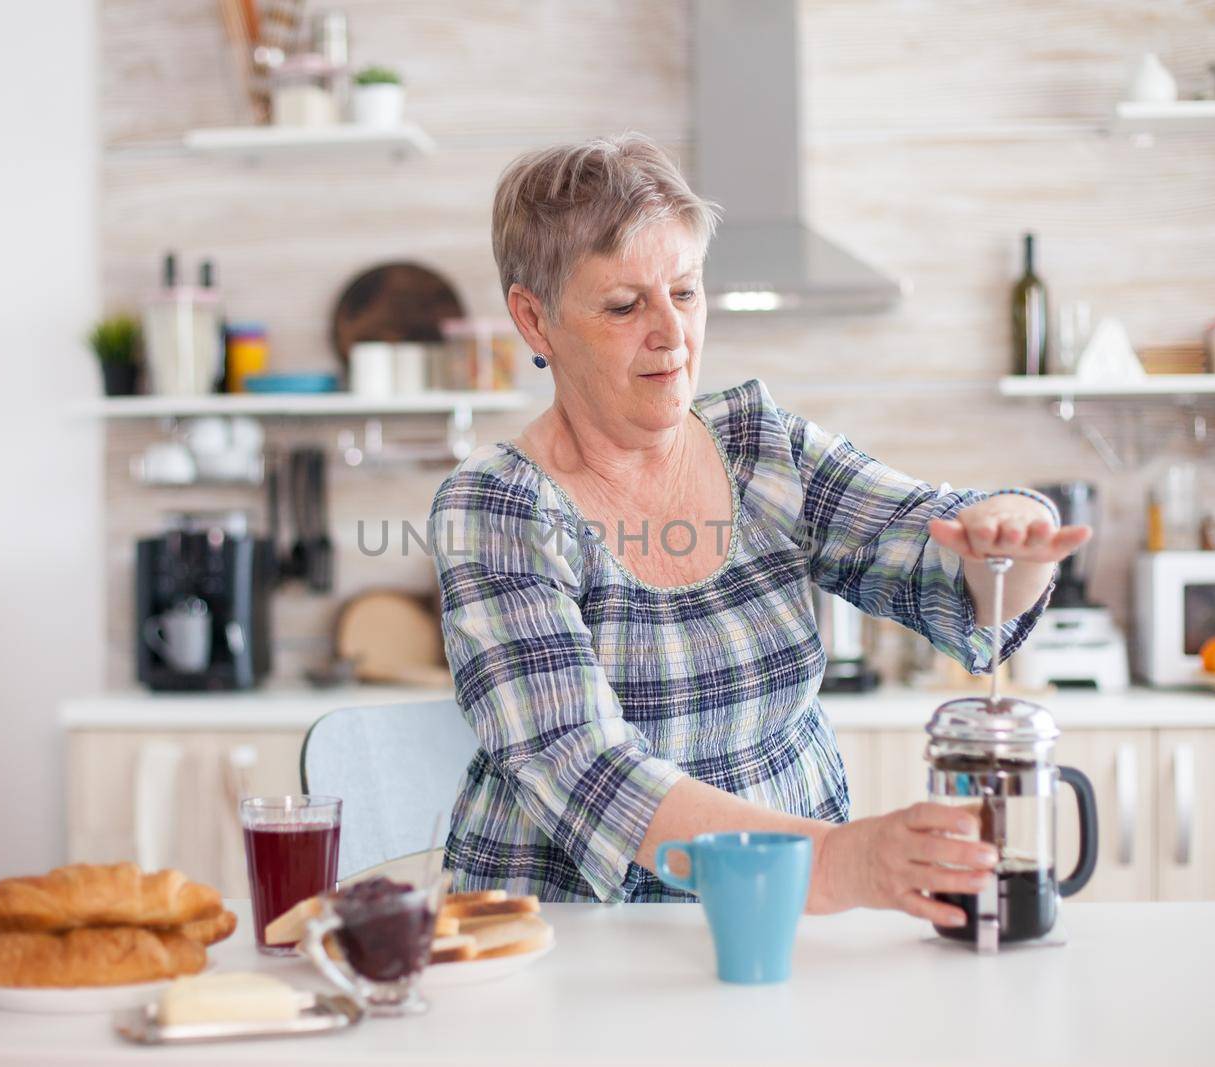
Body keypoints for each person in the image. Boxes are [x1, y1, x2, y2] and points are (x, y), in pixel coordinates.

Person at [429, 134, 1090, 925]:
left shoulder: (760, 444)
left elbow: (932, 547)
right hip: (573, 941)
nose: (672, 334)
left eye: (685, 292)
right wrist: (841, 861)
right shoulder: (496, 507)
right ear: (534, 321)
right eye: (623, 304)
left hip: (788, 920)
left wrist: (1008, 530)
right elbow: (591, 774)